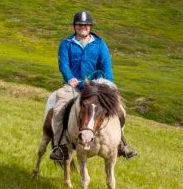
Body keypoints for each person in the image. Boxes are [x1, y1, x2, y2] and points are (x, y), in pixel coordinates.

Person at [48, 10, 137, 163]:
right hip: (74, 87)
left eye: (86, 25)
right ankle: (60, 146)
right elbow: (63, 63)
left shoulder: (100, 44)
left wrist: (107, 83)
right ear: (75, 26)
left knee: (119, 109)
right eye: (80, 25)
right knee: (59, 107)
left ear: (90, 27)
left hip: (96, 88)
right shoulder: (66, 44)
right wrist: (69, 78)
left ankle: (121, 144)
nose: (83, 27)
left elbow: (106, 65)